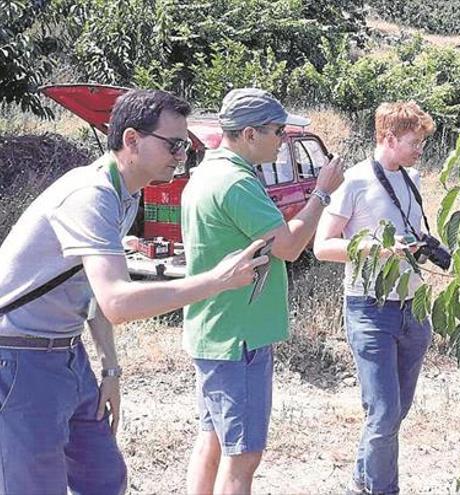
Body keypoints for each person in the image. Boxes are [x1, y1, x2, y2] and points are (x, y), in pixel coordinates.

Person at [0, 89, 267, 495]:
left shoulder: (126, 194)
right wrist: (216, 280)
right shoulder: (91, 195)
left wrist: (109, 370)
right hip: (19, 356)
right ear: (131, 140)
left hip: (65, 353)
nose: (182, 155)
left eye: (186, 145)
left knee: (104, 479)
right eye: (174, 144)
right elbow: (118, 301)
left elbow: (93, 295)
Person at [181, 88, 345, 495]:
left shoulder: (206, 171)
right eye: (277, 131)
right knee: (243, 456)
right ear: (250, 134)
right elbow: (288, 247)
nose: (281, 139)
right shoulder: (236, 182)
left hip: (213, 329)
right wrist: (321, 193)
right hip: (240, 336)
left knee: (214, 440)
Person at [314, 101, 436, 495]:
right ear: (388, 138)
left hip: (412, 309)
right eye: (414, 141)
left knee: (394, 414)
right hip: (370, 309)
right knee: (382, 414)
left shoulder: (413, 178)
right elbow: (322, 246)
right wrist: (379, 250)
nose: (421, 149)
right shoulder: (355, 181)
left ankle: (363, 484)